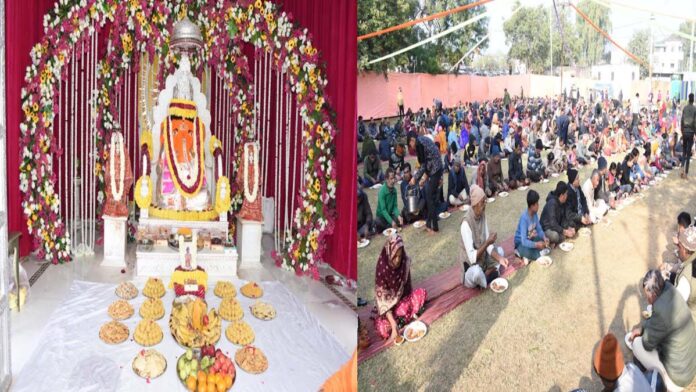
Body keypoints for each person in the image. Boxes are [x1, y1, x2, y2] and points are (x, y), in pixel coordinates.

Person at [628, 270, 696, 391]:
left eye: (647, 296)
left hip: (676, 380)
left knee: (637, 344)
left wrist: (643, 333)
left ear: (653, 294)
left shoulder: (660, 311)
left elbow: (648, 344)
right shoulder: (671, 290)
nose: (647, 300)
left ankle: (652, 380)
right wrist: (643, 328)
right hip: (689, 369)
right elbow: (658, 324)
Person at [373, 234, 427, 341]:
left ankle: (402, 319)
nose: (398, 260)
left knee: (421, 293)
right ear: (389, 253)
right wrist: (393, 324)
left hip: (402, 304)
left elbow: (408, 291)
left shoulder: (404, 262)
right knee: (383, 329)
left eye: (400, 255)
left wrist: (405, 304)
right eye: (395, 256)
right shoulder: (382, 268)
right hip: (388, 310)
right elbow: (382, 303)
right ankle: (401, 321)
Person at [459, 185, 509, 289]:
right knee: (477, 273)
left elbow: (489, 247)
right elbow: (472, 258)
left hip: (483, 261)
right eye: (483, 202)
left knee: (500, 251)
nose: (485, 205)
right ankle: (486, 278)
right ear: (475, 204)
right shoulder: (466, 224)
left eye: (485, 202)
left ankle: (485, 278)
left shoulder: (482, 214)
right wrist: (487, 242)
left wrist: (500, 258)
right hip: (471, 266)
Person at [409, 134, 444, 234]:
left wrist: (415, 178)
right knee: (429, 196)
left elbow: (424, 165)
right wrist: (425, 176)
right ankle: (429, 224)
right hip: (435, 168)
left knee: (429, 197)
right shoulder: (421, 140)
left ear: (412, 140)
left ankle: (434, 228)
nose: (411, 147)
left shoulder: (419, 143)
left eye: (409, 144)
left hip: (435, 169)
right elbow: (428, 159)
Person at [514, 190, 549, 263]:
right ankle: (519, 252)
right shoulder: (524, 218)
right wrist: (536, 245)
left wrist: (544, 237)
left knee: (542, 241)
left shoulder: (535, 214)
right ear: (532, 206)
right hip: (520, 243)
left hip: (530, 238)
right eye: (537, 204)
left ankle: (527, 256)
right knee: (536, 253)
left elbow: (539, 229)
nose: (538, 205)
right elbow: (523, 241)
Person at [540, 181, 576, 246]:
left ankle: (555, 241)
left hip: (556, 227)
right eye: (566, 194)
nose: (567, 196)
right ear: (562, 195)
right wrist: (565, 232)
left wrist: (568, 227)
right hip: (547, 228)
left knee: (570, 228)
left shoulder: (561, 202)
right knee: (555, 236)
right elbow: (552, 223)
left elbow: (563, 219)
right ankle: (552, 241)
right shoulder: (552, 203)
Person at [673, 226, 696, 315]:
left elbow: (674, 310)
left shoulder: (686, 279)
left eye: (679, 247)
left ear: (686, 250)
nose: (678, 250)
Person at [681, 93, 696, 179]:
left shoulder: (685, 108)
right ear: (693, 99)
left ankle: (682, 167)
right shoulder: (694, 109)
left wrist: (682, 131)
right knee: (688, 152)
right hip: (690, 132)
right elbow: (695, 123)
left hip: (685, 131)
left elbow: (682, 120)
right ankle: (686, 172)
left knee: (683, 151)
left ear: (688, 99)